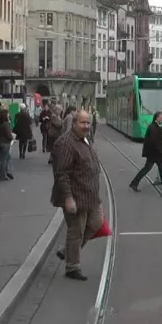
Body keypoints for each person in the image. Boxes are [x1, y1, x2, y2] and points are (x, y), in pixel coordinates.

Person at [51, 110, 103, 281]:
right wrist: (68, 197)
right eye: (83, 123)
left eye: (88, 123)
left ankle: (67, 251)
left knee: (96, 223)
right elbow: (62, 173)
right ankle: (72, 267)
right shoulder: (66, 143)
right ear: (73, 123)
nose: (86, 126)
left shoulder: (83, 139)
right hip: (76, 196)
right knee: (76, 232)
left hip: (91, 195)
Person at [129, 112, 162, 192]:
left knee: (161, 169)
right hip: (154, 154)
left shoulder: (155, 126)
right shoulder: (153, 127)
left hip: (155, 154)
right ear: (157, 118)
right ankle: (134, 183)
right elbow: (155, 142)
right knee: (147, 169)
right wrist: (161, 151)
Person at [0, 109, 15, 180]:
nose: (9, 115)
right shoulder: (6, 124)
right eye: (8, 114)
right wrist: (12, 138)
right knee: (4, 160)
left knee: (7, 158)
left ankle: (7, 172)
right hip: (5, 143)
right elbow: (8, 135)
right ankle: (3, 175)